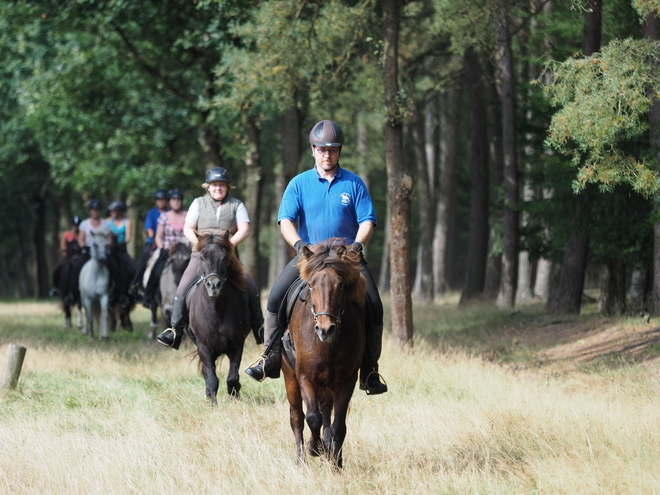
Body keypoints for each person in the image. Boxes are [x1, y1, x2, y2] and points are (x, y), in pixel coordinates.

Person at [244, 119, 388, 395]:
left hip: (346, 260)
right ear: (313, 150)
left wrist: (357, 245)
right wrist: (299, 244)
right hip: (310, 258)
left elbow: (367, 220)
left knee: (374, 305)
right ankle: (269, 358)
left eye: (332, 149)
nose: (327, 154)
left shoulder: (354, 183)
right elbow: (285, 219)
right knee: (275, 298)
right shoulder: (298, 184)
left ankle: (369, 369)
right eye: (321, 149)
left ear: (339, 151)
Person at [156, 167, 264, 349]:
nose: (218, 189)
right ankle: (174, 330)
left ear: (228, 187)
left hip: (228, 256)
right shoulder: (198, 203)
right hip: (202, 255)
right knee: (182, 287)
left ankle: (259, 327)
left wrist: (228, 246)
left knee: (250, 285)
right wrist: (200, 245)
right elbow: (188, 228)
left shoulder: (237, 205)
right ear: (208, 187)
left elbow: (244, 229)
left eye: (221, 185)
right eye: (214, 185)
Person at [141, 188, 188, 307]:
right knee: (156, 267)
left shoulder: (187, 216)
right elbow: (158, 236)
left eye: (178, 200)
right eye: (173, 200)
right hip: (167, 249)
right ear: (170, 202)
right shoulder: (164, 217)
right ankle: (148, 295)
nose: (176, 202)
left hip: (184, 251)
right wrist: (162, 247)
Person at [67, 199, 113, 305]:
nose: (95, 212)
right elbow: (81, 240)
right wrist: (85, 247)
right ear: (90, 211)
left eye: (97, 210)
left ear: (100, 211)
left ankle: (118, 292)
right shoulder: (84, 224)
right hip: (89, 252)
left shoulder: (106, 224)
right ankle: (72, 294)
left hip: (103, 252)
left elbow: (109, 240)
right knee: (77, 268)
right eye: (93, 210)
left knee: (115, 267)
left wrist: (106, 247)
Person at [129, 189, 169, 297]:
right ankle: (135, 283)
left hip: (168, 242)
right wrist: (154, 237)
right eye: (159, 200)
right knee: (144, 258)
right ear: (156, 201)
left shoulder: (170, 212)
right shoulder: (151, 213)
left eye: (163, 200)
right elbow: (149, 229)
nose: (161, 202)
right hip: (152, 242)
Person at [49, 215, 83, 297]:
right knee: (56, 268)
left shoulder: (82, 235)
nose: (76, 227)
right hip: (68, 256)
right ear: (72, 225)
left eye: (77, 225)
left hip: (80, 256)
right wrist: (65, 249)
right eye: (75, 225)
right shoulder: (67, 235)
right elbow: (63, 245)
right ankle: (55, 287)